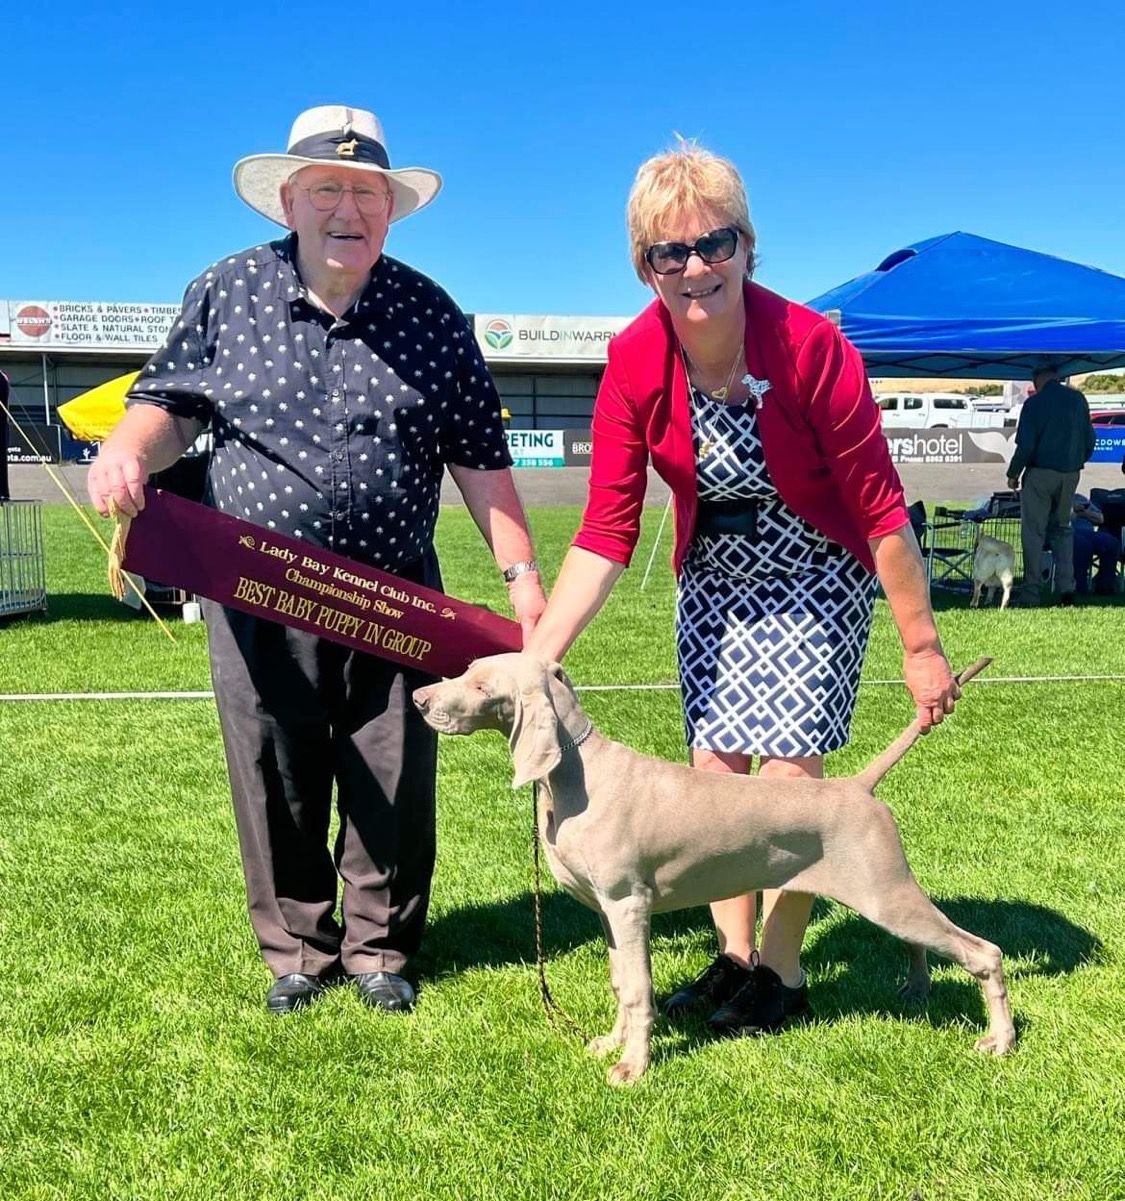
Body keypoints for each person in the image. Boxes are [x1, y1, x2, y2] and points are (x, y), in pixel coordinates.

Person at [87, 105, 546, 1015]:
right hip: (256, 586)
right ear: (288, 201)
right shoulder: (226, 291)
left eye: (368, 193)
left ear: (391, 210)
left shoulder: (430, 312)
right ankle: (297, 948)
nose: (349, 209)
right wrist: (128, 448)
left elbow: (478, 456)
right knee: (274, 766)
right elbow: (168, 402)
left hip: (394, 590)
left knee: (393, 769)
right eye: (328, 189)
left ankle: (380, 950)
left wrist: (522, 577)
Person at [525, 142, 959, 1038]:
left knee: (789, 775)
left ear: (746, 246)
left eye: (713, 243)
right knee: (713, 772)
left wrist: (920, 646)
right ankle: (732, 957)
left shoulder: (811, 346)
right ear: (644, 268)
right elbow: (605, 530)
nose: (695, 268)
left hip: (816, 572)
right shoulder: (634, 358)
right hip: (717, 578)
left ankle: (781, 970)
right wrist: (537, 659)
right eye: (668, 252)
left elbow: (881, 511)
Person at [1006, 365, 1095, 606]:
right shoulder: (1078, 400)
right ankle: (1066, 588)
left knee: (1034, 532)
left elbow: (1026, 445)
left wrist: (1013, 474)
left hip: (1040, 474)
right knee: (1063, 529)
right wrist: (1075, 463)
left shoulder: (1034, 404)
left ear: (1038, 379)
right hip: (1070, 473)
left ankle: (1031, 591)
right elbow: (1090, 440)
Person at [1071, 494, 1120, 597]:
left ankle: (1105, 586)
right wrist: (1073, 510)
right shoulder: (1054, 498)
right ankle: (1080, 587)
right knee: (1082, 543)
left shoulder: (1080, 498)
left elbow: (1100, 518)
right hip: (1069, 532)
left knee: (1111, 542)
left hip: (1090, 533)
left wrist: (1085, 513)